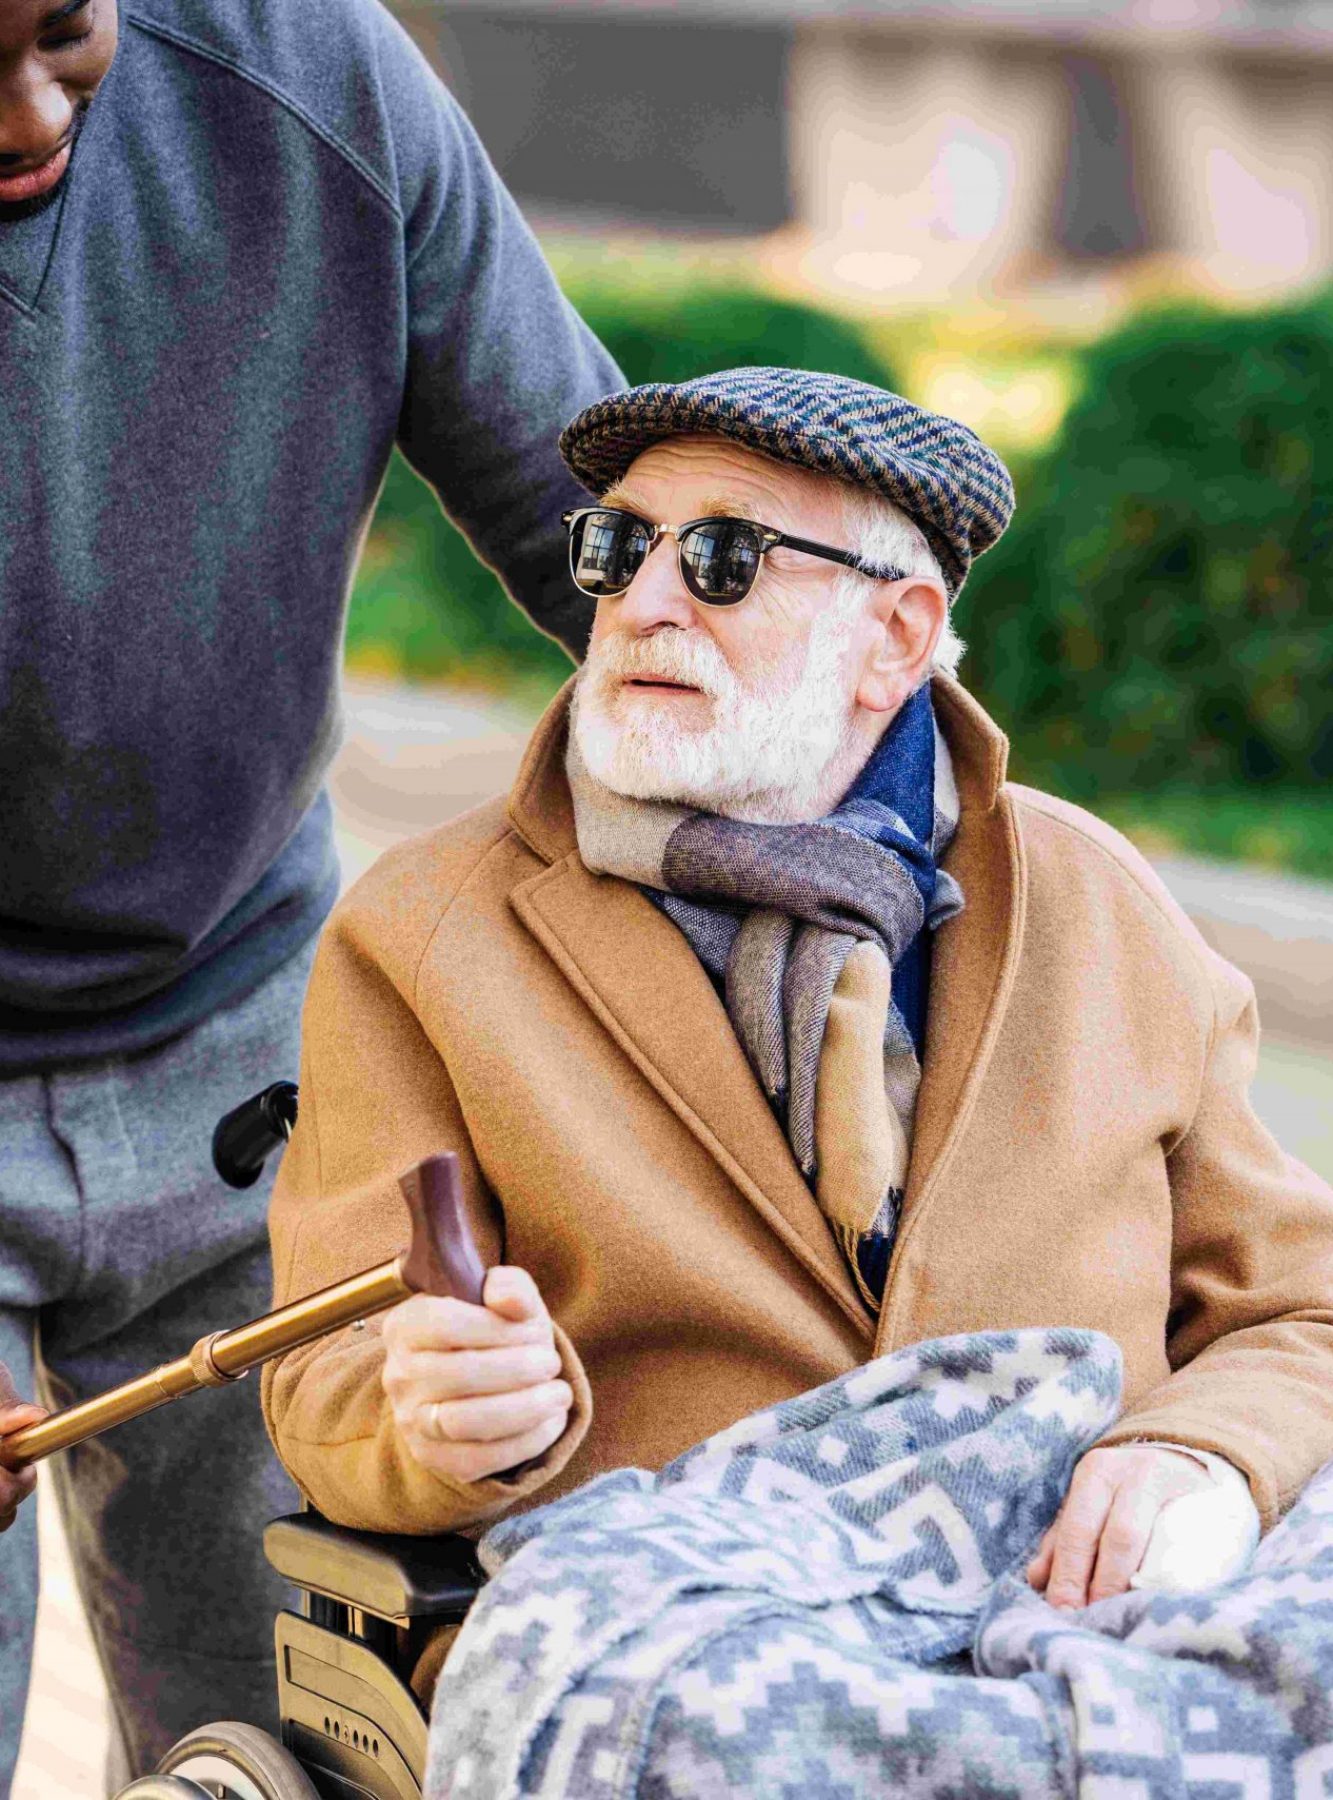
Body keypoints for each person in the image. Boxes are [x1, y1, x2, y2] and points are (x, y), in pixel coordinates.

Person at [263, 368, 1333, 1698]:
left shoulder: (1092, 897)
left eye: (721, 558)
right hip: (685, 1660)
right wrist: (443, 1423)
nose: (643, 600)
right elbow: (323, 1374)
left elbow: (1300, 1308)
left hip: (1079, 1638)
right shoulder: (423, 933)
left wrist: (1202, 1449)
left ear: (893, 637)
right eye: (617, 548)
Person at [0, 0, 620, 1778]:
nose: (31, 107)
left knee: (291, 1739)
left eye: (66, 27)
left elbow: (609, 533)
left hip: (246, 1047)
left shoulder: (314, 73)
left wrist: (909, 805)